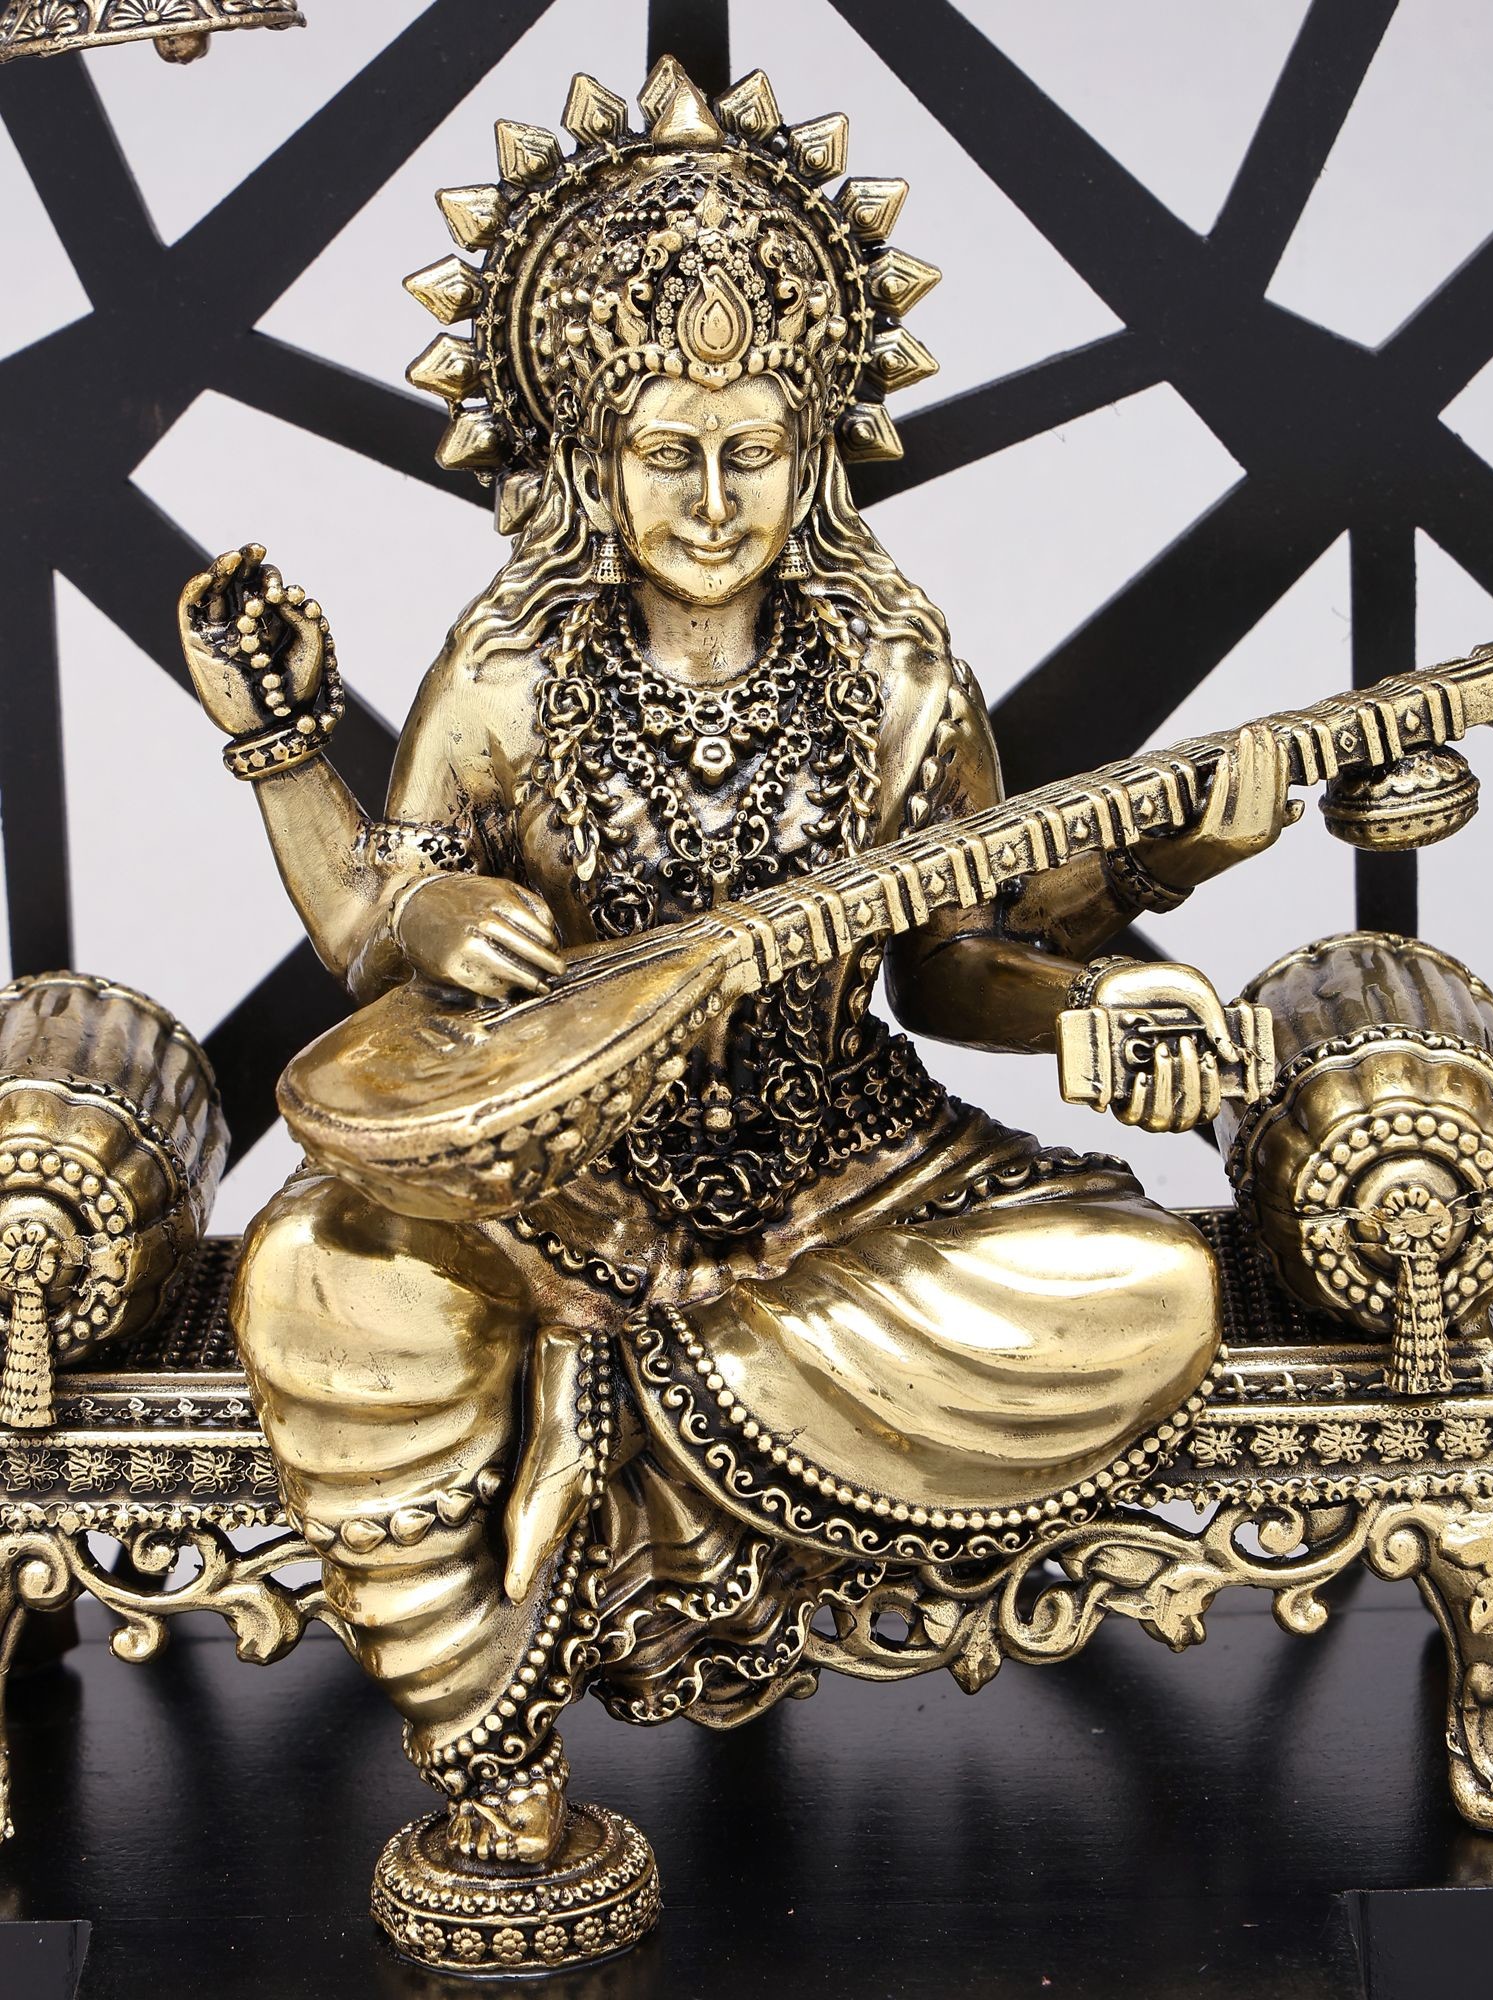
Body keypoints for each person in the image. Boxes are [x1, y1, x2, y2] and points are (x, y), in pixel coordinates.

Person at [178, 61, 1288, 1875]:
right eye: (667, 455)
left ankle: (614, 1387)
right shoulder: (511, 665)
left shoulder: (894, 663)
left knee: (1153, 1286)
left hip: (848, 1181)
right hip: (553, 1192)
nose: (710, 502)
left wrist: (1094, 990)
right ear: (590, 453)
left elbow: (956, 962)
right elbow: (373, 927)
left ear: (817, 447)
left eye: (753, 454)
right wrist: (318, 791)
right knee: (316, 1269)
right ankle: (491, 1748)